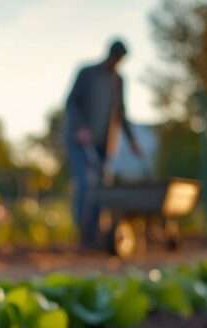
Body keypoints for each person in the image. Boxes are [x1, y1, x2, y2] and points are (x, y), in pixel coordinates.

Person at [65, 39, 142, 248]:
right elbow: (71, 103)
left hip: (104, 144)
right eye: (115, 58)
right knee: (85, 183)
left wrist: (132, 141)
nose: (116, 63)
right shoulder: (87, 73)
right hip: (80, 141)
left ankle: (97, 233)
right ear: (109, 55)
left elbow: (121, 113)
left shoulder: (118, 80)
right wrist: (80, 128)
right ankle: (83, 234)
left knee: (103, 187)